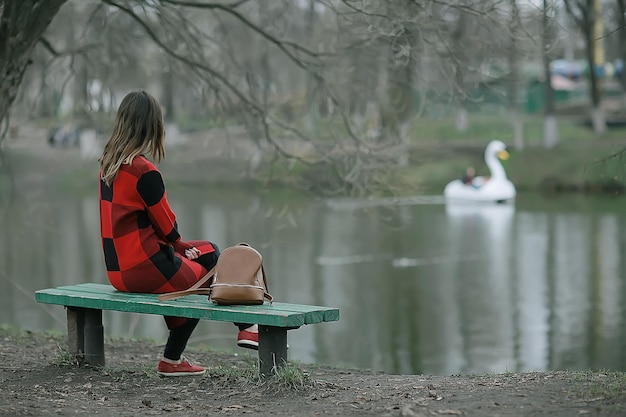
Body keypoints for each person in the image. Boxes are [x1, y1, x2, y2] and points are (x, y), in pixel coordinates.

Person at [98, 90, 258, 377]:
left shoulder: (107, 168)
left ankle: (181, 357)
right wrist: (178, 243)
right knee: (208, 268)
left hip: (117, 270)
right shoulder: (143, 171)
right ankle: (242, 329)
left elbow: (150, 228)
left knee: (207, 251)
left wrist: (179, 246)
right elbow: (166, 224)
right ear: (152, 126)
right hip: (144, 267)